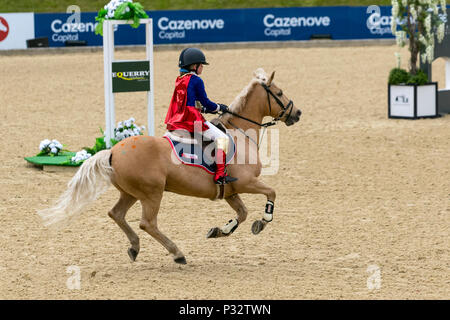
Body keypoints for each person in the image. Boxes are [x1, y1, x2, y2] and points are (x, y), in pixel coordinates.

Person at [164, 48, 238, 185]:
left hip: (177, 118)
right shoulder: (196, 80)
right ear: (194, 66)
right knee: (222, 138)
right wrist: (218, 107)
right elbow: (205, 101)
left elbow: (188, 102)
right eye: (201, 65)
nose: (202, 67)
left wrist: (204, 109)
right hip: (191, 120)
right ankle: (220, 175)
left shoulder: (180, 79)